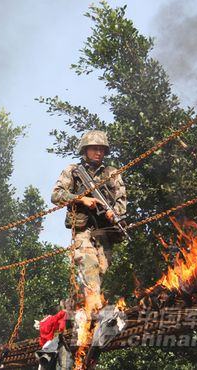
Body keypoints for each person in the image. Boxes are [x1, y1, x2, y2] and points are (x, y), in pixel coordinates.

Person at [51, 130, 127, 309]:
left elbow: (121, 202)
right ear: (85, 150)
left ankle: (78, 304)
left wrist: (113, 212)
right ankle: (94, 310)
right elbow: (56, 195)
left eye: (101, 149)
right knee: (89, 266)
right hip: (83, 230)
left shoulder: (112, 173)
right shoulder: (73, 171)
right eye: (94, 148)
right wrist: (81, 198)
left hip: (105, 231)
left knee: (100, 272)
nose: (98, 152)